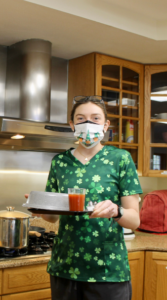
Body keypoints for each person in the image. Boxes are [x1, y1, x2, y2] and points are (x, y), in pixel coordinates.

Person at [26, 95, 142, 300]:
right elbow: (53, 217)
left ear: (105, 125)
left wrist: (117, 211)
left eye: (95, 118)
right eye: (81, 118)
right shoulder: (60, 162)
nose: (88, 123)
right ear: (72, 124)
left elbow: (134, 220)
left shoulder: (120, 159)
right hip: (65, 266)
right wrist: (40, 207)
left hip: (107, 268)